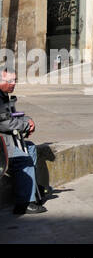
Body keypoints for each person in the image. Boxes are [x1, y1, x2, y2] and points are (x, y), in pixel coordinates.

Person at [1, 69, 45, 215]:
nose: (13, 84)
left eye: (15, 80)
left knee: (31, 148)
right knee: (23, 160)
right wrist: (26, 124)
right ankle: (24, 203)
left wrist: (26, 121)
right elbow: (4, 123)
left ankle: (31, 190)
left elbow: (9, 117)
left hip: (6, 139)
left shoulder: (3, 95)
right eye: (9, 81)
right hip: (2, 143)